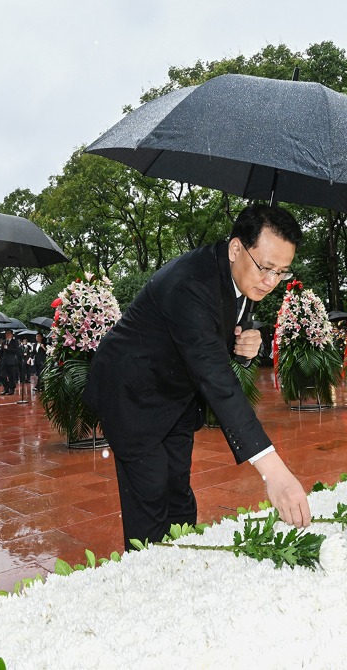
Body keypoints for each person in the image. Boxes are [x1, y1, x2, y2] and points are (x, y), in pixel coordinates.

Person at [82, 202, 312, 549]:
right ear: (236, 248)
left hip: (176, 393)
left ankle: (182, 568)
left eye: (282, 271)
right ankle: (145, 583)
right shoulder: (189, 283)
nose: (271, 282)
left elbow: (222, 337)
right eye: (266, 267)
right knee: (151, 494)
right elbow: (216, 377)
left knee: (179, 494)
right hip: (131, 392)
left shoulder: (243, 276)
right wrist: (274, 472)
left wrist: (247, 347)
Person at [0, 329, 20, 395]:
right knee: (2, 375)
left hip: (12, 361)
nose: (7, 335)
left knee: (11, 376)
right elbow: (1, 351)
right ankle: (6, 388)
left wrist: (8, 348)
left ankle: (12, 389)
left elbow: (16, 351)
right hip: (4, 361)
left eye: (8, 333)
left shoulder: (15, 342)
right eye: (6, 333)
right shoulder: (4, 342)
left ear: (12, 335)